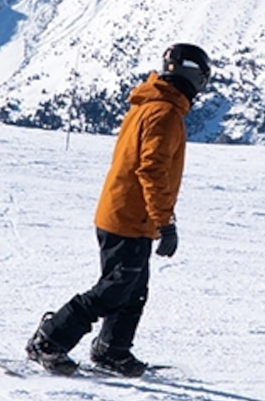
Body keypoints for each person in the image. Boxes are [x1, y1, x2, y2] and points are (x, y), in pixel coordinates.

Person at [27, 42, 211, 377]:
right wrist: (165, 223)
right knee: (114, 288)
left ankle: (113, 349)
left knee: (133, 289)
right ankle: (50, 339)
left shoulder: (149, 105)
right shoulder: (165, 113)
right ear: (195, 77)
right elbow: (151, 170)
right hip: (129, 217)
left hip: (126, 214)